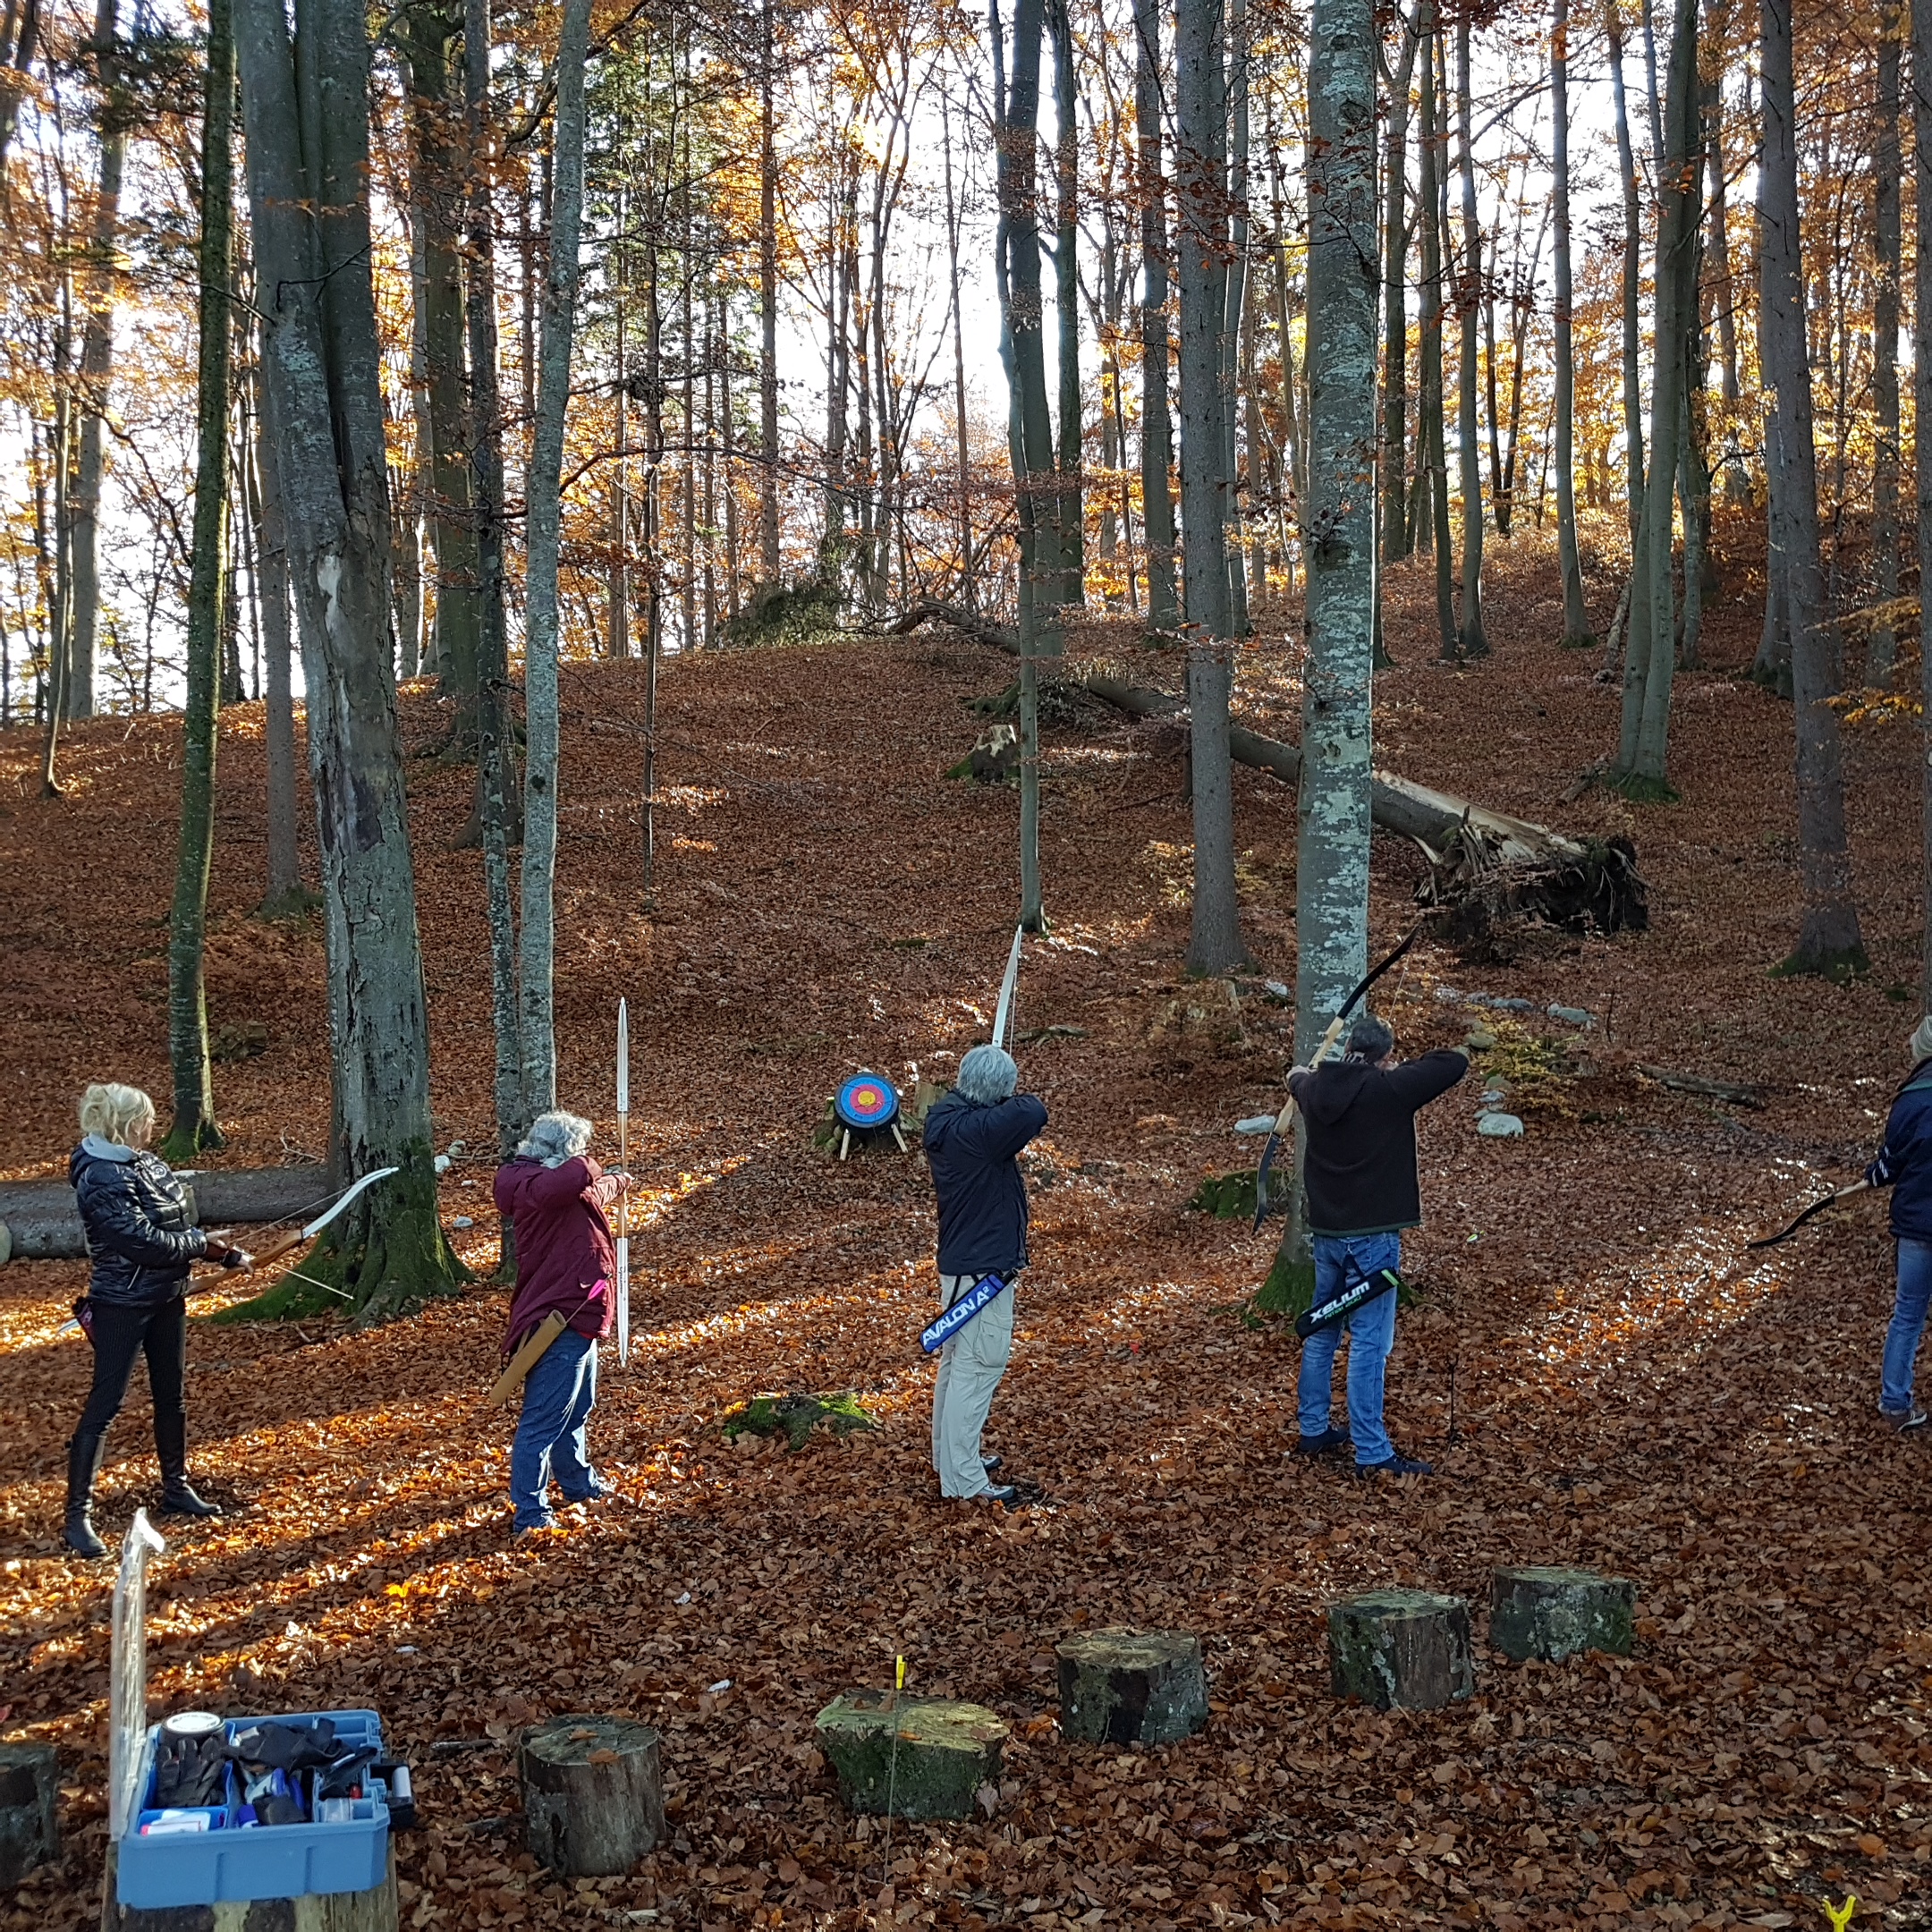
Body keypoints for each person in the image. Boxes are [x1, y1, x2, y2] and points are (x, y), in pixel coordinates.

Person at [64, 1082, 252, 1558]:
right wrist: (203, 1247)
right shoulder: (100, 1175)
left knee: (172, 1395)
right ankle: (77, 1518)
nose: (152, 1125)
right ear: (126, 1124)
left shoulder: (145, 1163)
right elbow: (140, 1240)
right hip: (121, 1305)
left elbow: (176, 1224)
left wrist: (221, 1253)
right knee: (105, 1404)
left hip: (168, 1296)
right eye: (146, 1119)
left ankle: (176, 1488)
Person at [1287, 1015, 1469, 1477]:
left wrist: (1301, 1078)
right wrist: (1392, 1070)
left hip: (1326, 1235)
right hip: (1371, 1239)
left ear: (1348, 1045)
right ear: (1384, 1055)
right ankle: (1371, 1451)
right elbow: (1453, 1062)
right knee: (1369, 1342)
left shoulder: (1312, 1089)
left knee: (1323, 1330)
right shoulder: (1389, 1090)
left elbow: (1296, 1078)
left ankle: (1313, 1428)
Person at [494, 1111, 635, 1533]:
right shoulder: (538, 1186)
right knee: (543, 1420)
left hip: (581, 1314)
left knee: (577, 1410)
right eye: (579, 1151)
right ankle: (530, 1514)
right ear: (563, 1154)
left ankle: (577, 1484)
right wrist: (589, 1164)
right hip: (557, 1319)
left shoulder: (557, 1189)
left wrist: (619, 1179)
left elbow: (592, 1191)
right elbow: (578, 1176)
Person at [925, 1043, 1048, 1504]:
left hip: (963, 1267)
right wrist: (1003, 1096)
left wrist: (991, 1091)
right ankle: (964, 1481)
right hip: (982, 1273)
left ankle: (950, 1458)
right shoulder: (978, 1132)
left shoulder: (947, 1118)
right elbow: (1034, 1110)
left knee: (958, 1363)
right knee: (978, 1367)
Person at [1867, 1014, 1932, 1431]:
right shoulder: (1912, 1098)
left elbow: (1892, 1162)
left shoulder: (1911, 1098)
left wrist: (1877, 1172)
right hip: (1915, 1226)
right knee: (1907, 1313)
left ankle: (1894, 1404)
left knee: (1907, 1314)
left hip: (1915, 1228)